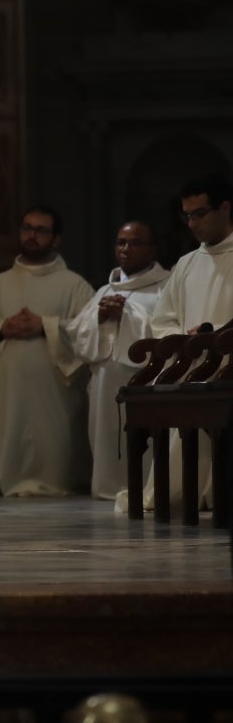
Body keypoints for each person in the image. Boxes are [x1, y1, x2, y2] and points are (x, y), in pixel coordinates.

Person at [0, 206, 95, 496]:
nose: (32, 235)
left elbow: (90, 334)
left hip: (55, 394)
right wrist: (1, 329)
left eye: (41, 230)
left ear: (56, 239)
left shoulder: (75, 287)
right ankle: (1, 479)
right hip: (5, 392)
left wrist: (45, 326)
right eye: (27, 228)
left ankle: (60, 479)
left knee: (55, 460)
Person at [132, 172, 233, 512]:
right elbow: (163, 319)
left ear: (225, 208)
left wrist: (213, 332)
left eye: (200, 213)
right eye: (187, 215)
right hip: (192, 370)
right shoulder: (187, 265)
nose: (191, 223)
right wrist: (182, 338)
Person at [62, 221, 168, 501]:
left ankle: (146, 490)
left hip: (145, 381)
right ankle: (108, 488)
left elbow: (169, 332)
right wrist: (98, 318)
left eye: (135, 243)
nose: (126, 249)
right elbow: (76, 334)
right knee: (107, 437)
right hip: (103, 384)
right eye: (121, 242)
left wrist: (128, 316)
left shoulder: (165, 287)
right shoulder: (104, 291)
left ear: (153, 249)